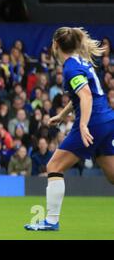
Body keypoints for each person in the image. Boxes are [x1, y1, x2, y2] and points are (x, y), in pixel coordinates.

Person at [25, 27, 114, 231]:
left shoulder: (70, 68)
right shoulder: (80, 61)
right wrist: (63, 115)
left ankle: (51, 221)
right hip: (107, 120)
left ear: (55, 45)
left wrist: (82, 124)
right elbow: (84, 93)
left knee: (54, 166)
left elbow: (86, 96)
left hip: (93, 121)